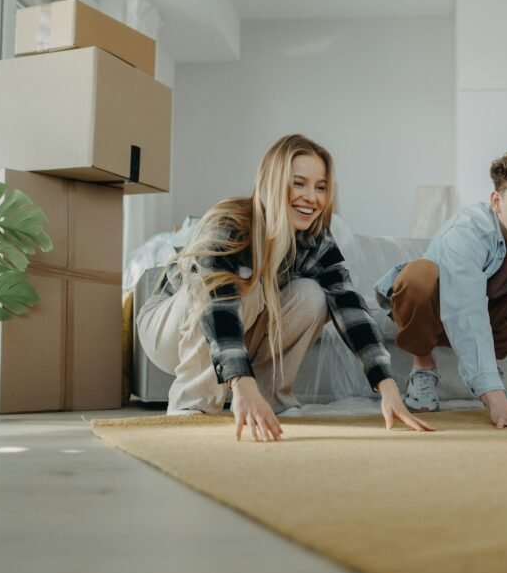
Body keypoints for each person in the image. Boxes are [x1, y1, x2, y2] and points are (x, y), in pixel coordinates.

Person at [137, 134, 433, 441]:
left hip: (242, 322)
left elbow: (349, 307)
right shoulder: (229, 222)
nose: (311, 197)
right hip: (169, 330)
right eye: (299, 183)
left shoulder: (315, 241)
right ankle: (192, 404)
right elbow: (217, 303)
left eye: (321, 187)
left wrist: (386, 385)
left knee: (313, 295)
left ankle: (272, 400)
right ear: (273, 183)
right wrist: (241, 381)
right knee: (244, 281)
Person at [375, 149, 507, 430]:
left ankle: (491, 375)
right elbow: (466, 313)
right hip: (438, 317)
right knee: (419, 274)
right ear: (496, 201)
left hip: (491, 320)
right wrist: (496, 401)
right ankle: (424, 366)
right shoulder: (467, 232)